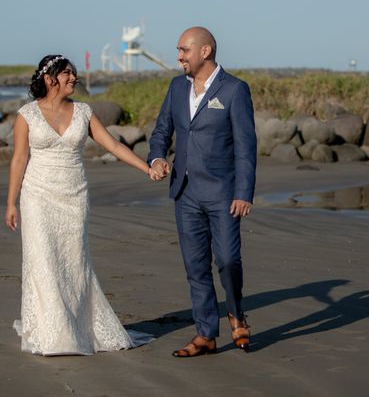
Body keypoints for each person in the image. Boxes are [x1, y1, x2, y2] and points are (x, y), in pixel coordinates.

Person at [5, 54, 157, 356]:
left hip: (74, 197)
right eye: (67, 74)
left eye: (74, 73)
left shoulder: (84, 111)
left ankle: (77, 324)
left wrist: (147, 167)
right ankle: (53, 333)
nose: (74, 78)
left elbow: (112, 144)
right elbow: (19, 159)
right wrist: (11, 202)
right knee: (44, 262)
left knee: (74, 261)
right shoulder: (27, 115)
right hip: (37, 197)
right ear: (50, 79)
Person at [148, 26, 257, 357]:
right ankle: (206, 334)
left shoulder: (235, 90)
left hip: (224, 193)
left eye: (184, 50)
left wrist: (244, 192)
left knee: (226, 260)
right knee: (195, 267)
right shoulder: (176, 87)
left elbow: (246, 147)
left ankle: (236, 312)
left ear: (205, 51)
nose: (179, 56)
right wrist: (156, 157)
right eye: (179, 50)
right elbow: (162, 131)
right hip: (185, 193)